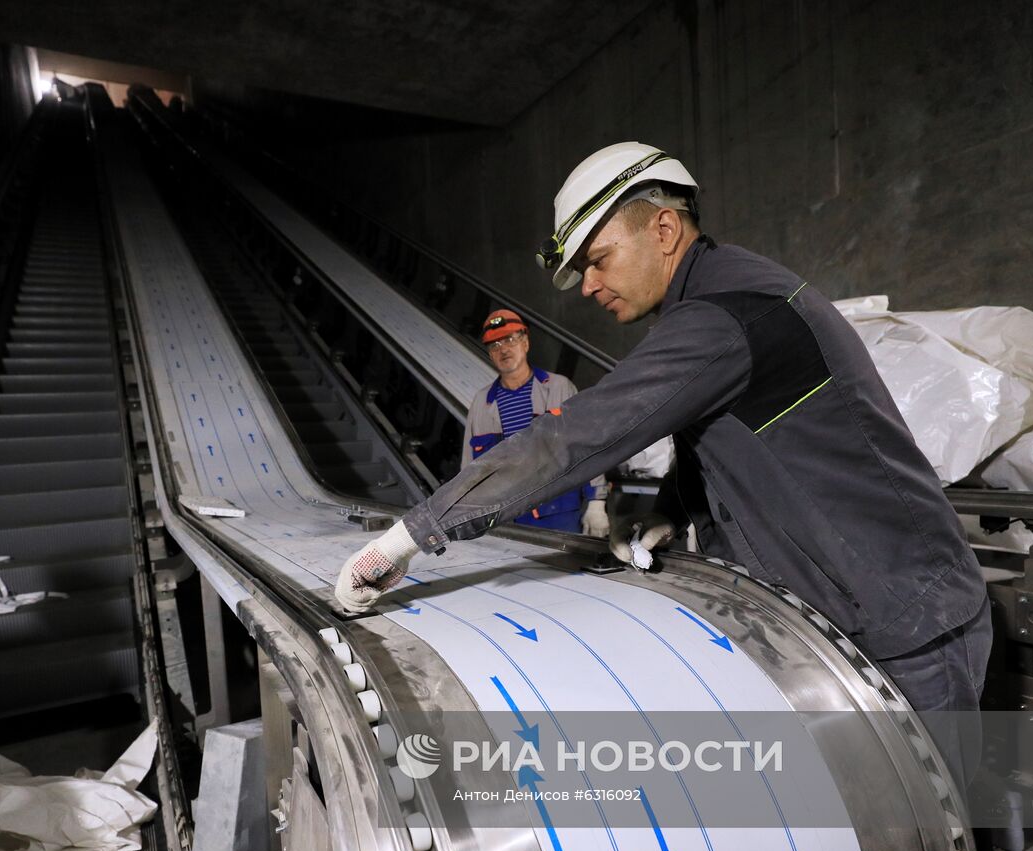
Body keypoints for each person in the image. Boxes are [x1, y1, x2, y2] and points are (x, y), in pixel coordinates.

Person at [334, 141, 991, 788]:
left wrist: (411, 536)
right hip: (862, 612)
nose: (588, 286)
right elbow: (736, 431)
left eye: (598, 260)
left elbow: (573, 438)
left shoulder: (725, 317)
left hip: (907, 628)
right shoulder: (725, 295)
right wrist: (672, 510)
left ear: (665, 228)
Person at [466, 309, 609, 536]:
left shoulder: (559, 388)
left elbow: (586, 445)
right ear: (490, 354)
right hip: (505, 518)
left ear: (525, 343)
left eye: (510, 339)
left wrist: (596, 502)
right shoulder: (481, 404)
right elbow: (469, 470)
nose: (503, 349)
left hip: (557, 514)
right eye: (494, 345)